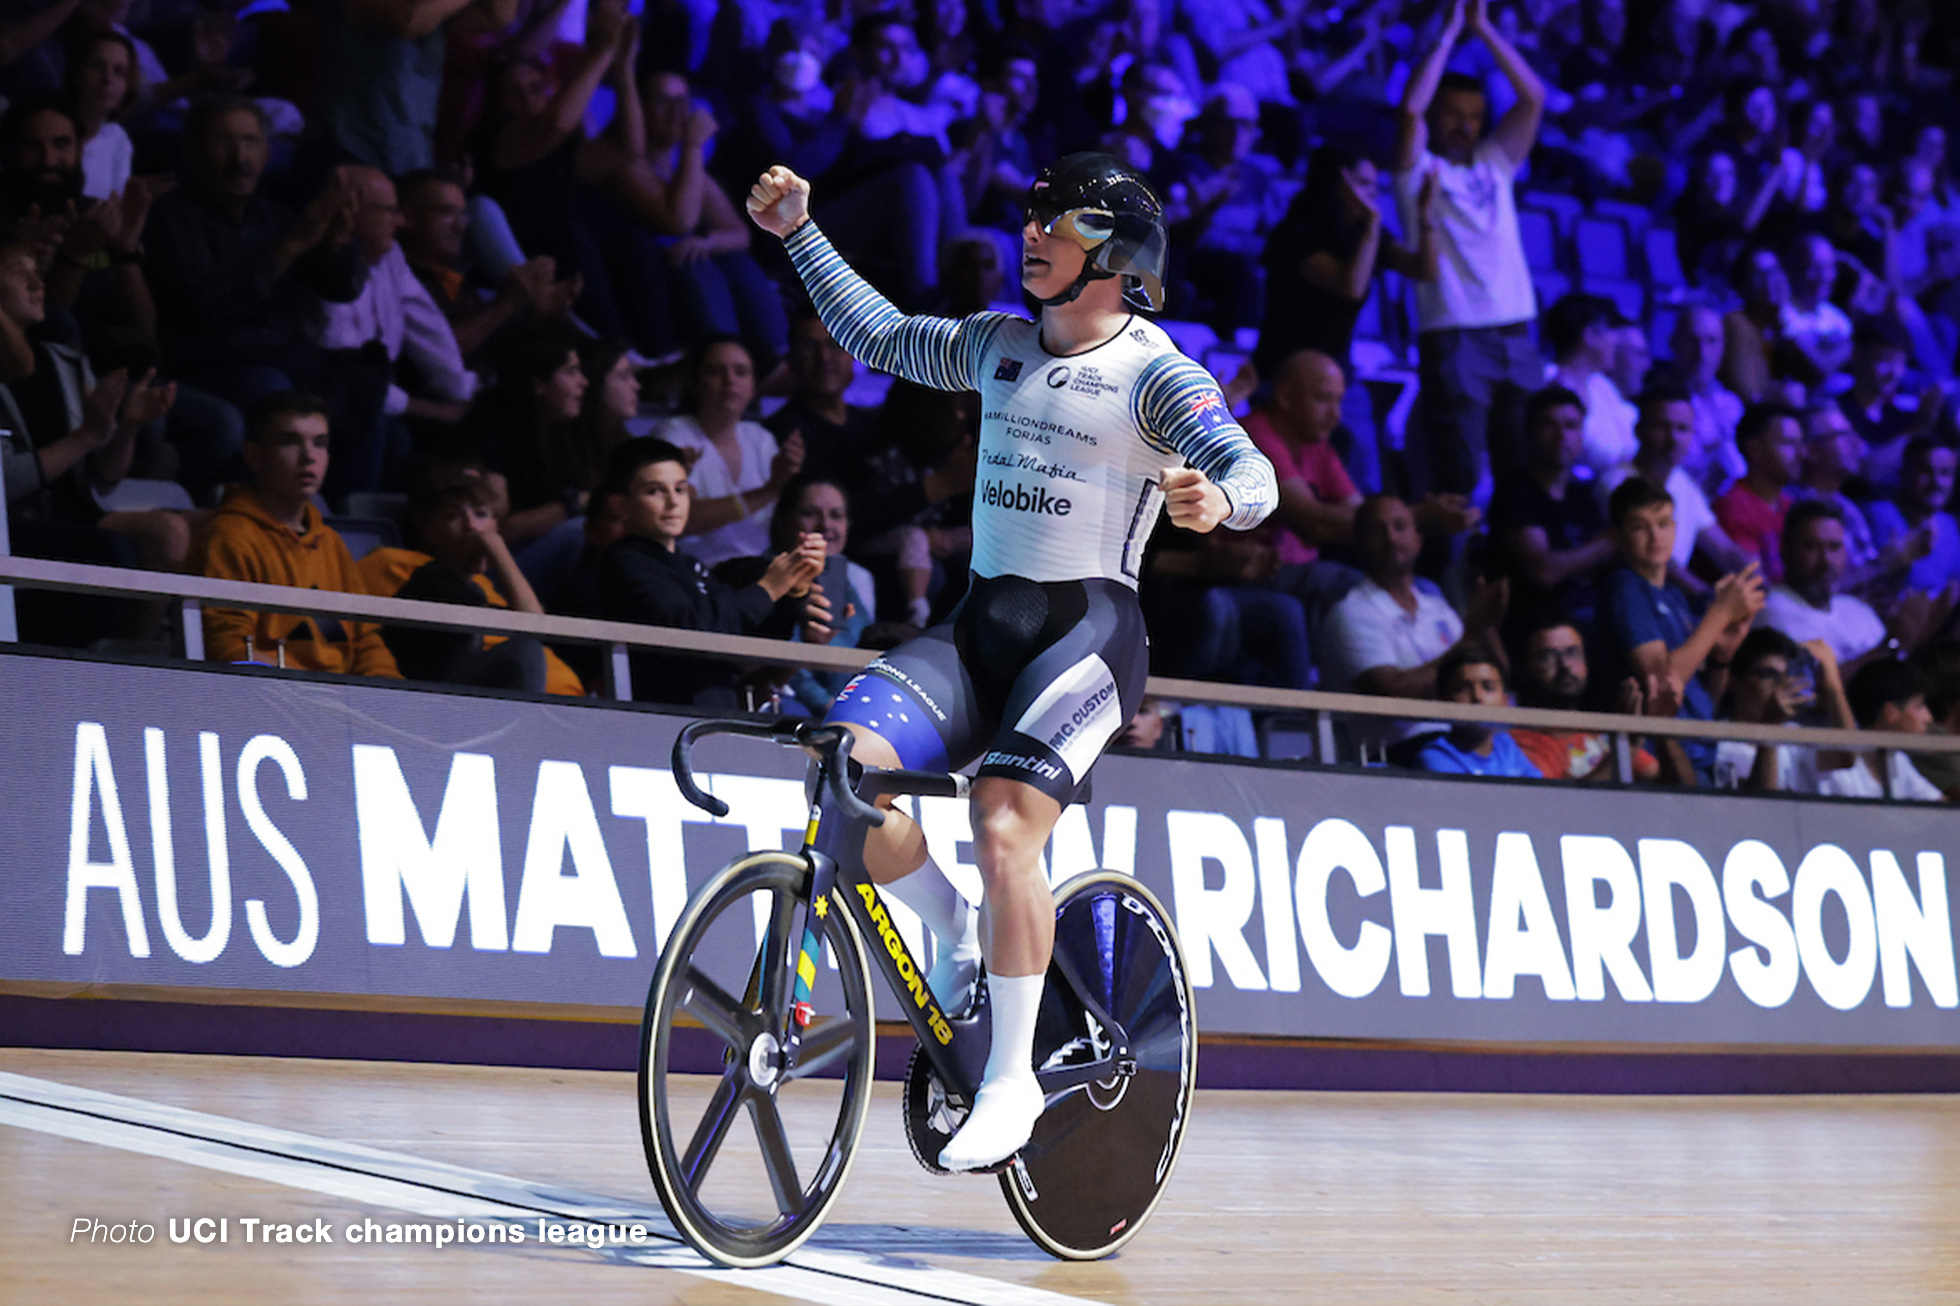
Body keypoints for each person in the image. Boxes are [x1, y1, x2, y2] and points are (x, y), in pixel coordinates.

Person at [747, 151, 1276, 1170]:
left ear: (1115, 256)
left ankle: (1009, 1083)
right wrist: (799, 235)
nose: (1030, 235)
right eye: (1029, 219)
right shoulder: (996, 345)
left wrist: (1220, 501)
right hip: (980, 627)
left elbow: (1246, 466)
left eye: (1058, 224)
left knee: (1001, 819)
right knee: (845, 770)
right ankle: (954, 932)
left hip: (1087, 641)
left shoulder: (1154, 373)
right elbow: (881, 336)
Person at [1393, 0, 1549, 500]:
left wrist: (1484, 30)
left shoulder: (1494, 163)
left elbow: (1533, 98)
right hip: (1455, 334)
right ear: (1438, 117)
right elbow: (1409, 110)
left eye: (1475, 117)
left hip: (1517, 330)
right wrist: (1449, 32)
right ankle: (1448, 575)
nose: (1465, 126)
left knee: (1522, 472)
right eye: (1454, 115)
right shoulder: (1416, 170)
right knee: (1458, 475)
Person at [1253, 144, 1437, 492]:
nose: (1372, 194)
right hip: (1283, 373)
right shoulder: (1295, 234)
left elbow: (1424, 269)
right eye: (1363, 184)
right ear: (1338, 184)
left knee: (1364, 469)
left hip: (1336, 371)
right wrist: (1372, 226)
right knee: (1285, 475)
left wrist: (1426, 216)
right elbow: (1349, 285)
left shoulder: (1365, 235)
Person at [594, 436, 828, 707]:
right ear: (619, 506)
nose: (673, 503)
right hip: (660, 722)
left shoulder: (691, 565)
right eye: (655, 491)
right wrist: (770, 588)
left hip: (712, 718)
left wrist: (794, 589)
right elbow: (692, 628)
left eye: (680, 490)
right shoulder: (625, 561)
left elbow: (743, 632)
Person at [189, 392, 399, 676]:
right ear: (254, 456)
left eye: (320, 443)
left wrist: (387, 694)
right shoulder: (229, 537)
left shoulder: (330, 542)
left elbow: (366, 642)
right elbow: (228, 651)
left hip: (341, 704)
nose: (308, 456)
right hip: (272, 703)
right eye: (290, 442)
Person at [1597, 476, 1764, 783]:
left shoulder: (1675, 597)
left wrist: (1721, 657)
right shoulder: (1625, 589)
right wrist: (1720, 613)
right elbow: (1662, 686)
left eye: (1663, 523)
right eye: (1639, 527)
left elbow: (1699, 699)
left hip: (1700, 753)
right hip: (1658, 761)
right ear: (1618, 537)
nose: (1655, 536)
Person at [358, 471, 583, 696]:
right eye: (452, 516)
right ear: (429, 530)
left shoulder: (473, 584)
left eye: (480, 513)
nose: (471, 526)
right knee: (524, 654)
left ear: (495, 524)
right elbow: (532, 623)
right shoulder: (431, 580)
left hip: (453, 701)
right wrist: (496, 547)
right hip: (421, 705)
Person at [1320, 494, 1506, 744]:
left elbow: (1498, 675)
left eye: (1400, 526)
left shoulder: (1437, 608)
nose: (1391, 538)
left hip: (1457, 744)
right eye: (1377, 530)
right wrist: (1471, 636)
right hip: (1396, 754)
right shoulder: (1351, 613)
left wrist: (1487, 627)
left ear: (1418, 539)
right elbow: (1393, 694)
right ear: (1359, 544)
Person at [654, 335, 803, 569]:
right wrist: (770, 489)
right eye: (715, 371)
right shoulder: (675, 434)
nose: (729, 380)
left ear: (754, 385)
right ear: (694, 383)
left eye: (741, 372)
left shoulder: (760, 438)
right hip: (693, 570)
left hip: (758, 571)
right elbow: (682, 520)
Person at [1596, 386, 1749, 597]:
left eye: (1682, 428)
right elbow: (1653, 558)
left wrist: (1757, 579)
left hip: (1671, 600)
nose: (1673, 438)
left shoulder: (1683, 482)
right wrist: (1705, 595)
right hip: (1635, 598)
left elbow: (1724, 550)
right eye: (1662, 426)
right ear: (1638, 430)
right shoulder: (1617, 481)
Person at [1488, 385, 1615, 635]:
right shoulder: (1516, 492)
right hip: (1537, 623)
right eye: (1549, 425)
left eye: (1571, 426)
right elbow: (1543, 570)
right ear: (1530, 432)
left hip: (1589, 609)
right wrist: (1605, 544)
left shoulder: (1584, 494)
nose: (1561, 436)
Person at [1508, 609, 1658, 783]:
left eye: (1572, 652)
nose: (1565, 665)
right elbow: (1564, 804)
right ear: (1524, 669)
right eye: (1547, 657)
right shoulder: (1519, 743)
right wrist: (1626, 747)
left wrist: (1663, 724)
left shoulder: (1600, 734)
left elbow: (1676, 786)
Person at [1761, 500, 1899, 668]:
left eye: (1834, 547)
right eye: (1811, 547)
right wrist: (1891, 645)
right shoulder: (1773, 610)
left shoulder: (1857, 609)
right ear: (1786, 550)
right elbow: (1815, 688)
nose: (1826, 561)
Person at [1710, 626, 1836, 793]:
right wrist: (1771, 726)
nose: (1780, 686)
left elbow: (1846, 758)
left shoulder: (1796, 735)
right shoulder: (1720, 744)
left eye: (1786, 676)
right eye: (1769, 674)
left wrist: (1833, 682)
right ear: (1735, 681)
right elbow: (1764, 806)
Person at [764, 309, 879, 483]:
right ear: (791, 358)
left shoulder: (873, 427)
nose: (824, 357)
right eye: (809, 347)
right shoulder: (778, 437)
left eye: (834, 345)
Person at [1819, 658, 1945, 801]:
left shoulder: (1897, 760)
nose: (1928, 717)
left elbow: (1939, 807)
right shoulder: (1837, 769)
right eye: (1919, 705)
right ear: (1890, 712)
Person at [1411, 644, 1542, 778]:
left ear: (1505, 701)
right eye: (1463, 688)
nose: (1478, 696)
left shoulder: (1506, 746)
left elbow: (1539, 793)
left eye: (1488, 687)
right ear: (1443, 700)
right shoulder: (1435, 757)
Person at [1544, 292, 1638, 475]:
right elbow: (1593, 453)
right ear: (1589, 334)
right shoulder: (1550, 382)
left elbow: (1628, 440)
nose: (1616, 341)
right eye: (1610, 330)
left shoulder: (1601, 385)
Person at [1712, 403, 1803, 583]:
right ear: (1754, 449)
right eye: (1789, 443)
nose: (1801, 454)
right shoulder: (1733, 508)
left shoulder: (1790, 506)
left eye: (1800, 444)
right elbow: (1758, 586)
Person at [1867, 438, 1960, 600]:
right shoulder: (1879, 514)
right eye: (1926, 471)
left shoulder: (1949, 524)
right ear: (1904, 472)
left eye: (1945, 473)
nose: (1936, 482)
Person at [1669, 304, 1747, 492]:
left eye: (1711, 341)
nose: (1702, 353)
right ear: (1674, 344)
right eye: (1692, 341)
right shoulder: (1662, 406)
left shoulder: (1732, 405)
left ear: (1723, 347)